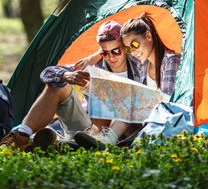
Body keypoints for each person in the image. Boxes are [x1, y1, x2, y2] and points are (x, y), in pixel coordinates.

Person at [0, 20, 141, 151]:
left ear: (124, 46)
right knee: (58, 85)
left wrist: (96, 56)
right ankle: (21, 136)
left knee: (129, 95)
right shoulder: (92, 66)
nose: (111, 57)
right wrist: (66, 76)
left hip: (121, 132)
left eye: (116, 51)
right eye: (104, 52)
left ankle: (68, 144)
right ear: (100, 50)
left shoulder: (139, 66)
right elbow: (47, 73)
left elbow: (145, 29)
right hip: (88, 131)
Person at [74, 13, 181, 147]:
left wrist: (135, 99)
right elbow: (118, 39)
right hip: (141, 120)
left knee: (130, 96)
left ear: (148, 36)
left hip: (166, 118)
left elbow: (168, 102)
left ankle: (106, 140)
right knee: (111, 91)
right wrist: (96, 56)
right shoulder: (143, 64)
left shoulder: (170, 60)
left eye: (135, 44)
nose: (134, 51)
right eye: (129, 48)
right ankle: (98, 139)